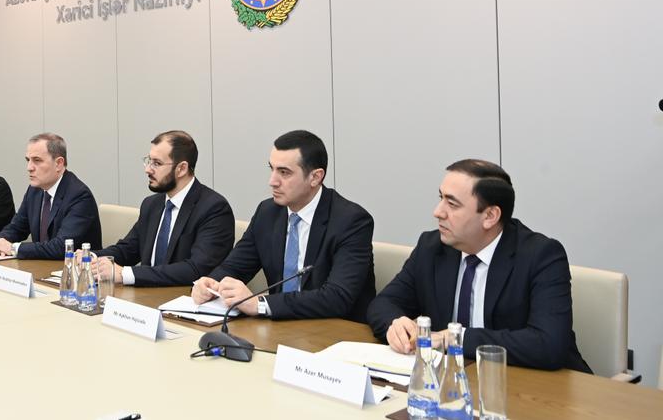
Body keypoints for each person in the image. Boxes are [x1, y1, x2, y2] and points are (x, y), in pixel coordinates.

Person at [366, 159, 591, 372]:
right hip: (454, 380)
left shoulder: (541, 256)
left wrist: (455, 338)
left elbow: (548, 344)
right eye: (441, 198)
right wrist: (396, 324)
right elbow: (384, 303)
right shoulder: (431, 248)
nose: (438, 212)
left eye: (452, 204)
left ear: (490, 216)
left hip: (539, 386)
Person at [191, 130, 375, 321]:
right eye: (272, 169)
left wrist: (260, 304)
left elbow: (337, 298)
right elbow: (235, 267)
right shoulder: (267, 212)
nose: (272, 181)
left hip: (336, 329)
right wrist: (211, 284)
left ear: (315, 177)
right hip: (280, 327)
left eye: (284, 172)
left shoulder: (351, 221)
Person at [94, 130, 234, 287]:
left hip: (183, 297)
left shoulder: (214, 209)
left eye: (157, 163)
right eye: (148, 161)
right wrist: (90, 258)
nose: (147, 169)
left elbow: (196, 269)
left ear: (181, 169)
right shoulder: (151, 204)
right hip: (145, 295)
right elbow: (128, 250)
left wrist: (124, 274)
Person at [0, 133, 101, 260]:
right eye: (28, 160)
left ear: (59, 164)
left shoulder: (79, 196)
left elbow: (61, 247)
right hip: (42, 266)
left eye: (37, 160)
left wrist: (13, 248)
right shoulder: (35, 190)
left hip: (73, 269)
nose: (29, 168)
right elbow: (16, 227)